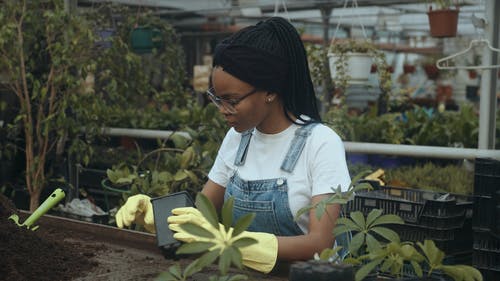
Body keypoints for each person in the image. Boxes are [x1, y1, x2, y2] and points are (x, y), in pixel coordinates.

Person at [115, 16, 351, 274]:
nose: (223, 110)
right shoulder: (238, 139)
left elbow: (320, 242)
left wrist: (230, 241)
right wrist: (157, 215)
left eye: (232, 100)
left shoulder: (320, 143)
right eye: (217, 98)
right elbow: (200, 216)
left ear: (270, 91)